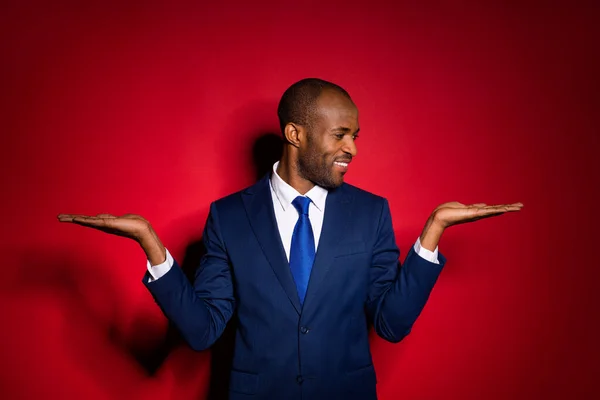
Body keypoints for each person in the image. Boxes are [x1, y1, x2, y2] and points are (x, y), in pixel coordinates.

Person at [58, 78, 522, 399]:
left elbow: (391, 325)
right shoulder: (228, 217)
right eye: (340, 135)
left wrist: (432, 233)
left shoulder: (370, 212)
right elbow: (202, 331)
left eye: (356, 136)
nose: (353, 149)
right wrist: (151, 245)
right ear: (294, 133)